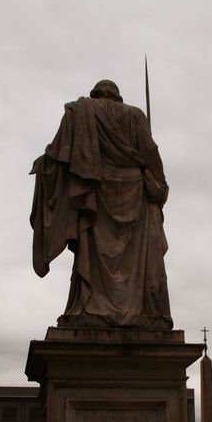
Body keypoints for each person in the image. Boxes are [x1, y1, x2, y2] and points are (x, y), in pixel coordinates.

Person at [30, 79, 172, 329]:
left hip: (93, 192)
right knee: (138, 261)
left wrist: (43, 166)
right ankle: (141, 310)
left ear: (95, 94)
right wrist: (159, 187)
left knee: (92, 254)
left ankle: (90, 305)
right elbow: (151, 155)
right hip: (135, 194)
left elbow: (57, 155)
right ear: (117, 96)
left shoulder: (79, 111)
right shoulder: (136, 116)